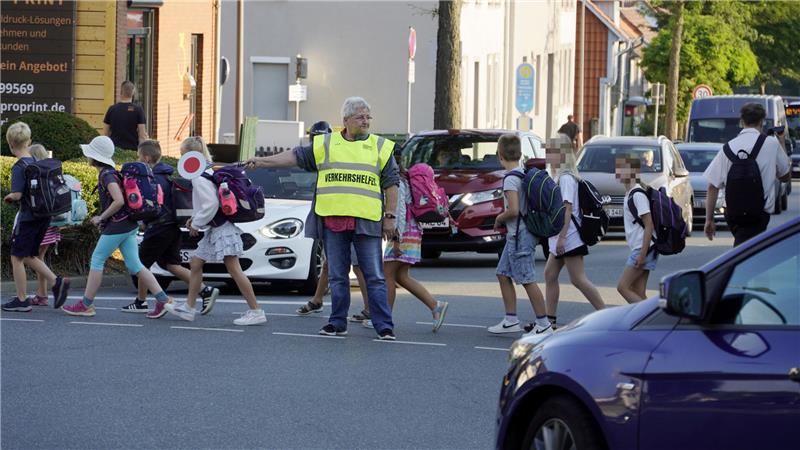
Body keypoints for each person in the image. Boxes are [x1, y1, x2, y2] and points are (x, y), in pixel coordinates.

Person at [246, 97, 399, 340]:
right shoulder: (326, 144)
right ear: (345, 120)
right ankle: (337, 323)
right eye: (360, 117)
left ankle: (384, 326)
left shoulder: (381, 146)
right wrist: (262, 161)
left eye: (368, 117)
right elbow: (294, 156)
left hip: (367, 221)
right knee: (337, 276)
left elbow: (392, 184)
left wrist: (390, 217)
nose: (366, 121)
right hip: (333, 221)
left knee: (375, 276)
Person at [62, 136, 173, 317]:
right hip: (129, 224)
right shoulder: (112, 172)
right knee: (135, 264)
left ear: (94, 157)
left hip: (118, 225)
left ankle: (86, 304)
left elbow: (119, 200)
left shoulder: (106, 175)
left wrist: (101, 217)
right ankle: (163, 300)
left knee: (97, 259)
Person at [165, 137, 266, 325]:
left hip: (221, 229)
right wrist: (195, 219)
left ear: (190, 156)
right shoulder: (209, 170)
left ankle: (256, 311)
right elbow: (210, 202)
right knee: (196, 263)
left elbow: (211, 203)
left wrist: (196, 223)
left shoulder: (198, 176)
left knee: (234, 269)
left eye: (182, 154)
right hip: (217, 228)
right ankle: (188, 308)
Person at [123, 139, 220, 314]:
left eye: (139, 157)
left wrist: (143, 222)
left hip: (159, 228)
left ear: (146, 158)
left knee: (141, 265)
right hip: (172, 227)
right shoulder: (167, 176)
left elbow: (153, 206)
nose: (138, 159)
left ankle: (141, 302)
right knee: (172, 265)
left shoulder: (152, 179)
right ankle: (205, 290)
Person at [295, 121, 370, 320]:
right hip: (335, 219)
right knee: (331, 263)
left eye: (319, 139)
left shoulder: (338, 153)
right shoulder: (321, 155)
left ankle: (370, 310)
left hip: (352, 217)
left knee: (358, 265)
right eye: (314, 139)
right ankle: (317, 300)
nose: (317, 143)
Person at [2, 123, 71, 312]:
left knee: (17, 257)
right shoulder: (36, 163)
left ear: (10, 144)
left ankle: (22, 300)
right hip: (43, 217)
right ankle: (56, 282)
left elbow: (17, 194)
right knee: (29, 255)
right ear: (29, 141)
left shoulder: (19, 167)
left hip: (28, 217)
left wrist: (8, 197)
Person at [487, 134, 551, 336]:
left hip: (519, 235)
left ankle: (544, 324)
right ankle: (511, 320)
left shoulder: (510, 180)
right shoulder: (523, 173)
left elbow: (514, 210)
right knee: (503, 273)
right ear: (520, 154)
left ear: (500, 155)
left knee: (527, 279)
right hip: (520, 234)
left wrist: (499, 218)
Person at [704, 103, 791, 246]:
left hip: (733, 213)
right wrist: (781, 142)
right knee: (751, 250)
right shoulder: (771, 144)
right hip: (759, 213)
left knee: (744, 247)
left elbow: (712, 186)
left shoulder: (728, 147)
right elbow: (785, 176)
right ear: (762, 121)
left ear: (742, 121)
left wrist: (709, 219)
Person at [541, 135, 605, 329]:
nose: (547, 155)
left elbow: (567, 209)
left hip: (569, 237)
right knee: (550, 274)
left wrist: (561, 238)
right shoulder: (558, 176)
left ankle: (606, 315)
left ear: (561, 154)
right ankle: (549, 321)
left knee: (578, 279)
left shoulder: (566, 178)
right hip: (561, 237)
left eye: (551, 152)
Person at [382, 159, 449, 332]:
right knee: (401, 276)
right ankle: (435, 306)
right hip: (413, 231)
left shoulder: (396, 182)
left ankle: (385, 318)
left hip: (403, 233)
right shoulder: (405, 178)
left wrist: (396, 240)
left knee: (387, 274)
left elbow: (400, 211)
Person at [615, 156, 656, 303]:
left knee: (622, 287)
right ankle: (650, 315)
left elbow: (649, 224)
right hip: (642, 248)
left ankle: (647, 316)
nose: (618, 172)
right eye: (617, 169)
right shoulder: (630, 193)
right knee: (638, 291)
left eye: (623, 169)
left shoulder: (637, 194)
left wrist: (642, 254)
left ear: (633, 172)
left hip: (643, 248)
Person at [26, 144, 62, 307]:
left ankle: (55, 283)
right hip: (52, 225)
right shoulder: (51, 175)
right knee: (39, 259)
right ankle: (42, 295)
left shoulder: (36, 175)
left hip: (40, 225)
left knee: (29, 257)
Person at [103, 80, 148, 151]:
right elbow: (142, 135)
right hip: (132, 150)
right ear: (133, 93)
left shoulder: (112, 109)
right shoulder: (138, 110)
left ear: (121, 92)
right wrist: (141, 153)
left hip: (115, 150)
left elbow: (105, 134)